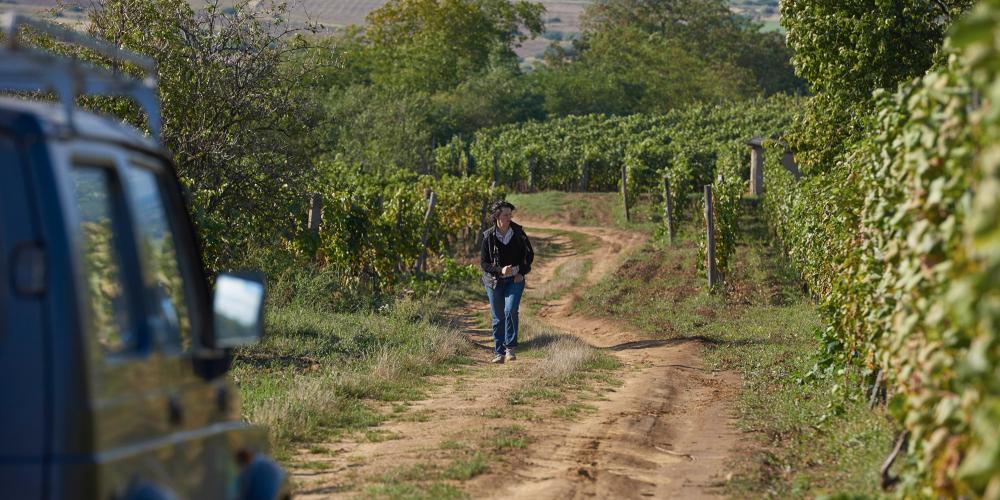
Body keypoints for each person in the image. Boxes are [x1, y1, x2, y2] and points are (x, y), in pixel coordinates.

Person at [480, 200, 534, 364]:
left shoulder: (518, 232)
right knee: (498, 317)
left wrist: (522, 272)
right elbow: (484, 263)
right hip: (494, 281)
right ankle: (499, 352)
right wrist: (500, 270)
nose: (509, 217)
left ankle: (510, 349)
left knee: (510, 310)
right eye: (505, 215)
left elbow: (530, 255)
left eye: (510, 214)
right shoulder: (488, 236)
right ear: (497, 216)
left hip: (515, 279)